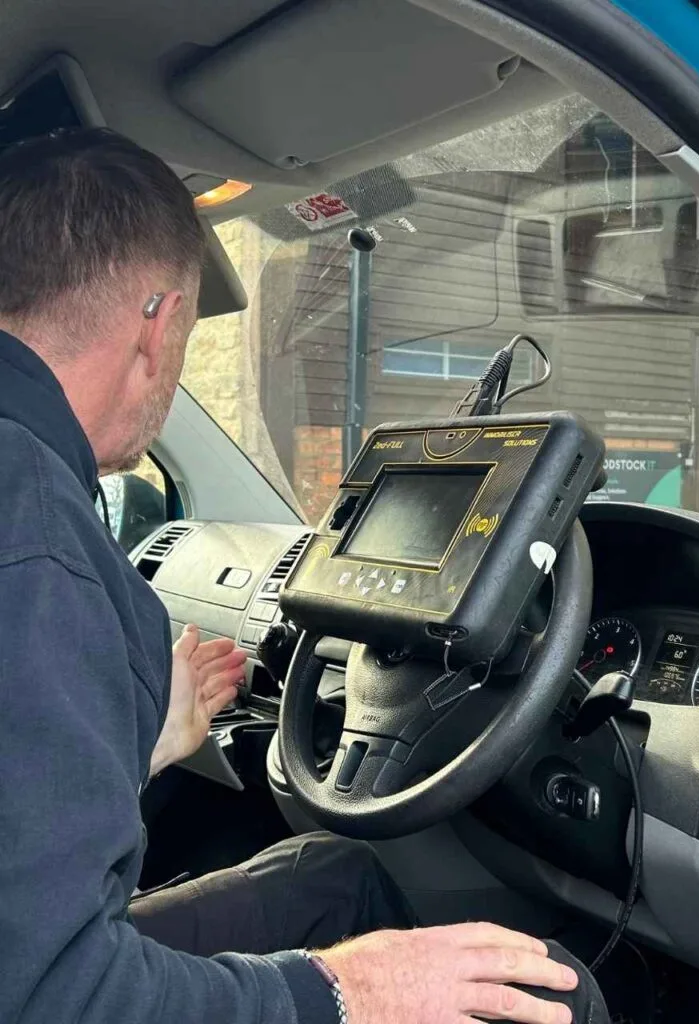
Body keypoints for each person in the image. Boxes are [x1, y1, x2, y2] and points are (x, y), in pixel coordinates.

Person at [0, 127, 609, 1024]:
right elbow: (56, 996)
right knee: (547, 984)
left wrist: (132, 741)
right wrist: (349, 992)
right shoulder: (39, 542)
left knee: (334, 873)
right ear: (160, 322)